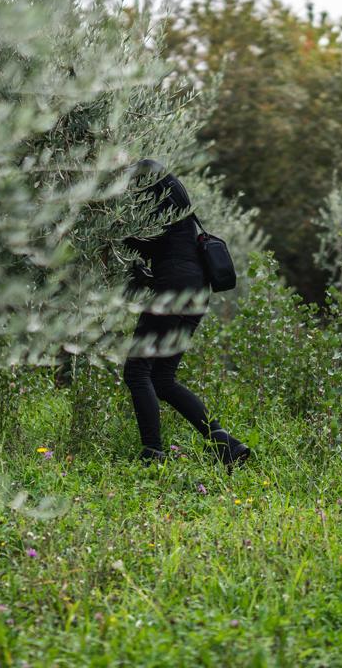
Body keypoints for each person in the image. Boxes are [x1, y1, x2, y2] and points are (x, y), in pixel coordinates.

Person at [121, 159, 250, 467]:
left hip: (175, 287)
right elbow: (159, 246)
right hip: (196, 289)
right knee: (163, 378)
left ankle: (153, 454)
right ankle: (225, 445)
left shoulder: (151, 192)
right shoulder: (175, 199)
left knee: (137, 370)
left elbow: (141, 240)